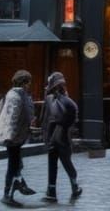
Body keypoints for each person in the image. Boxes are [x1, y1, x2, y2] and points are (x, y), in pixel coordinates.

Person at [0, 70, 37, 206]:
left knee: (16, 164)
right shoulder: (15, 96)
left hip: (17, 136)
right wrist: (10, 136)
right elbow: (12, 118)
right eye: (28, 82)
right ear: (24, 82)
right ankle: (8, 194)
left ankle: (18, 185)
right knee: (13, 166)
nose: (30, 84)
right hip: (13, 137)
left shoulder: (19, 94)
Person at [39, 72, 82, 202]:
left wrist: (46, 132)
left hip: (56, 136)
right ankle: (71, 186)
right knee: (65, 162)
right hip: (61, 136)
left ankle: (53, 192)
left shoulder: (52, 99)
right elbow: (73, 118)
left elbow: (44, 118)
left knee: (56, 163)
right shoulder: (67, 101)